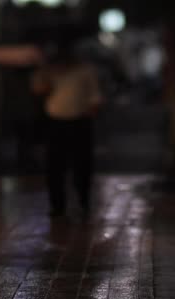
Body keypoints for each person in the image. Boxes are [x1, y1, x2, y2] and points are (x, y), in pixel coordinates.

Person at [31, 41, 103, 218]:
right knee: (54, 166)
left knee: (82, 165)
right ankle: (58, 205)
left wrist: (92, 111)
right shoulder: (50, 71)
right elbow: (38, 89)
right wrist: (46, 74)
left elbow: (95, 96)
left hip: (79, 121)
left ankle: (83, 202)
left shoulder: (85, 70)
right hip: (56, 121)